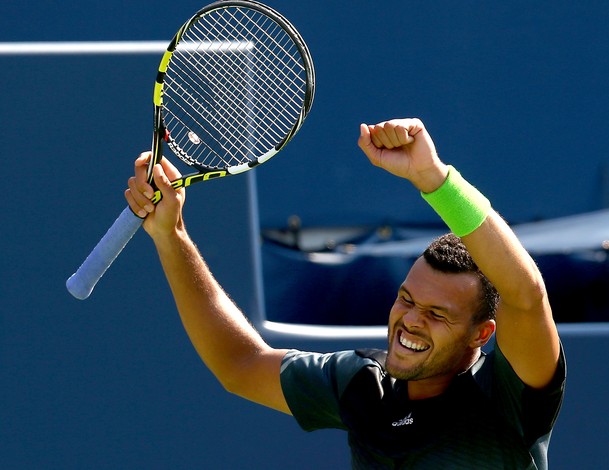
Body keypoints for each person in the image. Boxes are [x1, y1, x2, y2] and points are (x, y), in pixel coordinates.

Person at [126, 118, 565, 469]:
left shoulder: (508, 394)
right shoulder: (361, 385)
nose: (411, 319)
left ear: (481, 333)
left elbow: (525, 294)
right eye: (408, 300)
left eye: (437, 313)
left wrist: (434, 179)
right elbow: (240, 365)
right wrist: (171, 237)